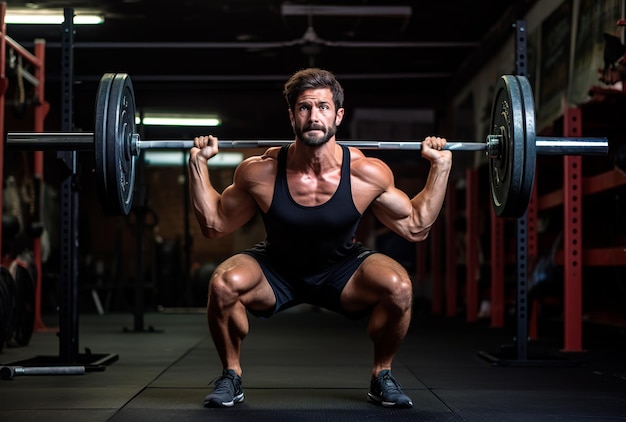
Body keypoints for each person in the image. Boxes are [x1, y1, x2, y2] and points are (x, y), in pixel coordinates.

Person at [189, 68, 452, 409]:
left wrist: (440, 168)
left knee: (399, 287)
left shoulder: (365, 173)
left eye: (324, 107)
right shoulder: (260, 172)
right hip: (277, 267)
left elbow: (416, 226)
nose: (314, 116)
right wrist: (198, 165)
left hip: (342, 269)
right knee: (223, 284)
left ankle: (382, 375)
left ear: (338, 115)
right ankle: (231, 374)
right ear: (291, 116)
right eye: (304, 107)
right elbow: (215, 225)